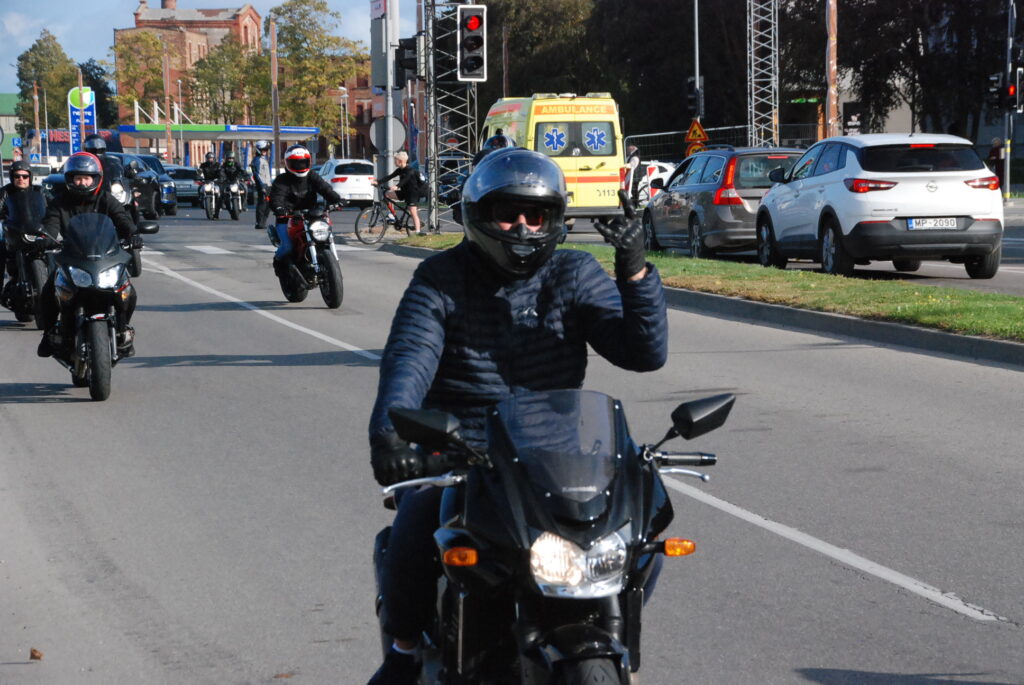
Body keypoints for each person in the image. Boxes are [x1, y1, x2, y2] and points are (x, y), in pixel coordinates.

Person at [365, 147, 668, 684]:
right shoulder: (441, 278)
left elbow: (643, 353)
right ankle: (404, 654)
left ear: (555, 219)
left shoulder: (573, 272)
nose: (523, 227)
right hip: (462, 452)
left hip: (552, 459)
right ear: (479, 215)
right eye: (508, 213)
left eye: (537, 214)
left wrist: (634, 271)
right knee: (415, 529)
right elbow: (409, 359)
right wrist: (391, 434)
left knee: (637, 537)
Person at [36, 152, 138, 359]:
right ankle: (48, 334)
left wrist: (133, 234)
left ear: (96, 179)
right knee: (49, 292)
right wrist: (46, 238)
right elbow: (51, 224)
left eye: (86, 178)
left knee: (128, 292)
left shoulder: (106, 199)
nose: (82, 183)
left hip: (104, 258)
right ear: (70, 179)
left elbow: (122, 219)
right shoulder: (59, 203)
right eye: (78, 178)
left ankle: (122, 330)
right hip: (71, 258)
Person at [268, 144, 341, 279]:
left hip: (311, 216)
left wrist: (337, 200)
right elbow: (276, 197)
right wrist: (279, 208)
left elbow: (325, 189)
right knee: (288, 247)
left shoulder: (312, 176)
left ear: (308, 162)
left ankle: (330, 268)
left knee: (325, 236)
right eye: (296, 162)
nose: (300, 165)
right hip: (287, 218)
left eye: (303, 162)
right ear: (288, 163)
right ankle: (277, 262)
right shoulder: (282, 180)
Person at [0, 161, 43, 288]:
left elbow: (50, 206)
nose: (21, 179)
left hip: (35, 228)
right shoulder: (5, 191)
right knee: (1, 247)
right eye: (17, 176)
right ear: (11, 177)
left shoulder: (38, 190)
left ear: (30, 177)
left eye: (25, 176)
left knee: (54, 247)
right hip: (13, 229)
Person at [371, 150, 423, 235]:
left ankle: (418, 232)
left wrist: (397, 186)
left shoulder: (410, 170)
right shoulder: (399, 170)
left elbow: (406, 179)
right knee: (387, 195)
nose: (394, 162)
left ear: (400, 161)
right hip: (404, 192)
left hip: (412, 193)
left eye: (395, 160)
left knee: (413, 212)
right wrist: (378, 182)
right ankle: (391, 215)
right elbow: (390, 176)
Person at [250, 140, 272, 232]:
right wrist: (261, 186)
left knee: (268, 205)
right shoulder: (257, 160)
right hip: (262, 185)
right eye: (263, 150)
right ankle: (259, 223)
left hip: (268, 185)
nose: (265, 151)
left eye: (266, 150)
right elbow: (257, 174)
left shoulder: (263, 159)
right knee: (262, 204)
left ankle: (263, 222)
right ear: (258, 150)